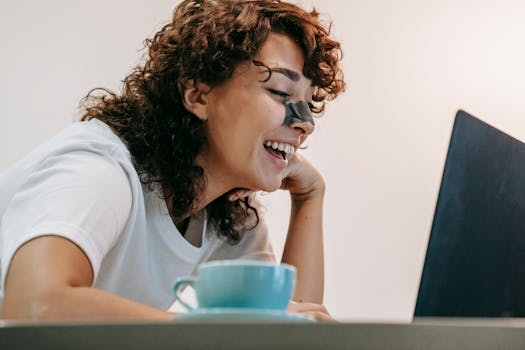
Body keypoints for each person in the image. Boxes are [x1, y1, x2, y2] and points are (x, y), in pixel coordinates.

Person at [0, 0, 344, 321]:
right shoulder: (102, 167)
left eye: (308, 103)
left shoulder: (227, 217)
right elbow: (33, 305)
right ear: (197, 94)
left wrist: (309, 195)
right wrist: (210, 332)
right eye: (280, 92)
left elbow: (290, 332)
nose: (305, 123)